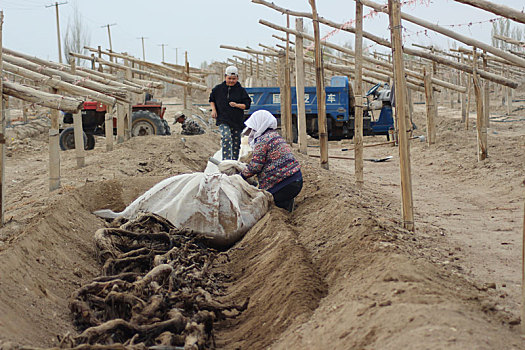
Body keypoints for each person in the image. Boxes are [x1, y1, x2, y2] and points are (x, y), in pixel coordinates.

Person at [240, 110, 303, 212]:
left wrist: (240, 176)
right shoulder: (275, 135)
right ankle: (286, 206)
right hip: (296, 180)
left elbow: (255, 167)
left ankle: (280, 207)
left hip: (283, 185)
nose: (252, 130)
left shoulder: (262, 141)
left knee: (260, 204)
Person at [209, 65, 251, 160]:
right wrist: (214, 110)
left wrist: (236, 105)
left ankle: (234, 163)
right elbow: (212, 99)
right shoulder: (218, 89)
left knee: (236, 143)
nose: (231, 81)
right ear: (225, 77)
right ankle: (226, 162)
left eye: (234, 79)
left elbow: (246, 105)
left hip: (236, 121)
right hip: (223, 119)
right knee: (226, 137)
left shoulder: (241, 91)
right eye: (229, 78)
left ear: (237, 78)